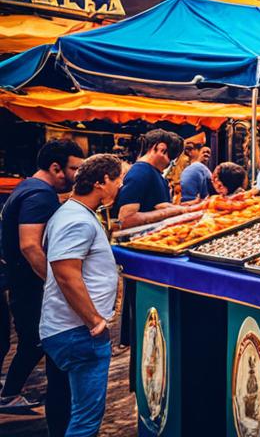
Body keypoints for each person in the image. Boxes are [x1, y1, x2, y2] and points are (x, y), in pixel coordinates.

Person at [40, 153, 124, 437]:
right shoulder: (76, 219)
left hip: (72, 329)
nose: (119, 186)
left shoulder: (75, 213)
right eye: (117, 179)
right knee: (86, 419)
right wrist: (94, 321)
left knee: (79, 412)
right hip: (78, 331)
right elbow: (65, 273)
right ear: (101, 182)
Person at [0, 139, 83, 410]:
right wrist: (56, 282)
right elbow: (30, 245)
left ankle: (9, 393)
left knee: (32, 341)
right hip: (28, 285)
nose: (76, 176)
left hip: (22, 282)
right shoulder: (40, 194)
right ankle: (9, 395)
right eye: (74, 169)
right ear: (56, 168)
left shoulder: (28, 187)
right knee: (35, 342)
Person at [114, 129, 187, 229]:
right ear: (161, 149)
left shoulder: (151, 172)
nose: (171, 163)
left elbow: (155, 206)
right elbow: (126, 219)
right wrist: (168, 212)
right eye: (171, 157)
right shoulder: (140, 171)